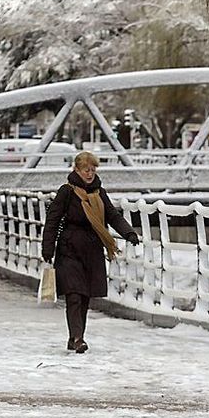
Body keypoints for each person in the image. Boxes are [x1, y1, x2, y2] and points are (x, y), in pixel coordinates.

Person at [41, 151, 140, 353]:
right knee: (74, 295)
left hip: (92, 250)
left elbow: (112, 215)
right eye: (86, 170)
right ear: (76, 170)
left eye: (93, 170)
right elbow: (52, 220)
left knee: (85, 296)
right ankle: (78, 338)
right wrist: (47, 248)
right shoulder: (66, 192)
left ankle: (75, 337)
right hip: (70, 249)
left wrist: (129, 233)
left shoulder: (99, 193)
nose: (90, 173)